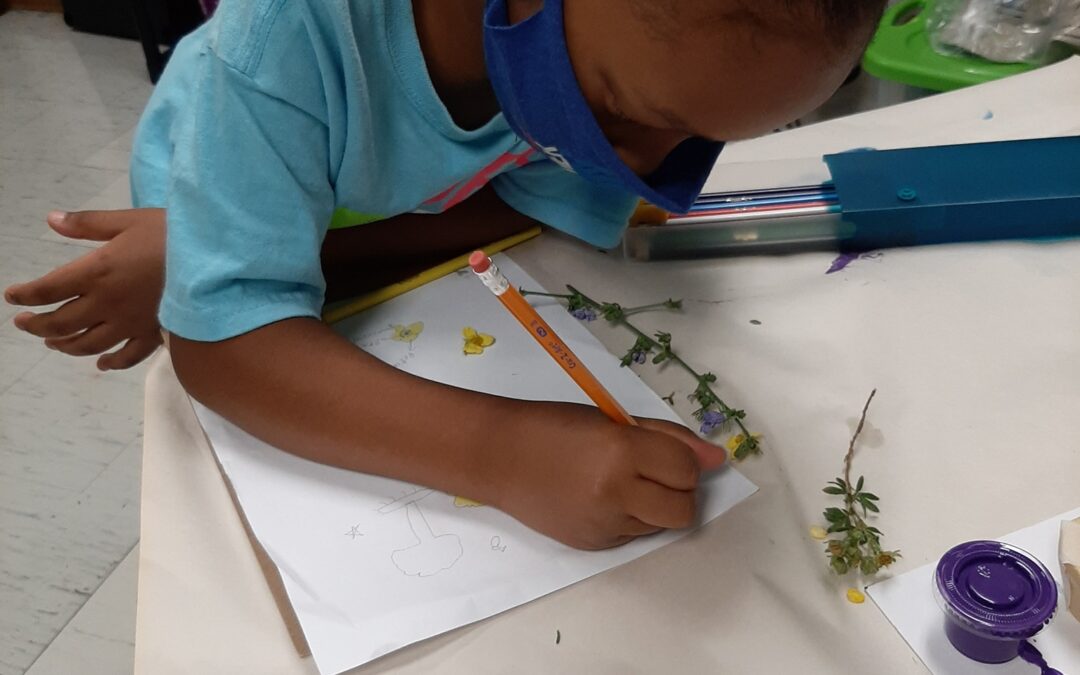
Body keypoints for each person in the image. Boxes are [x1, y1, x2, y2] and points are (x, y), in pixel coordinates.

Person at [4, 0, 886, 549]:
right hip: (237, 162)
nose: (641, 166)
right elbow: (227, 346)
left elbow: (526, 210)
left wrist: (254, 258)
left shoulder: (596, 47)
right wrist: (503, 453)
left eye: (701, 136)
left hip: (357, 221)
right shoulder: (288, 34)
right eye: (626, 111)